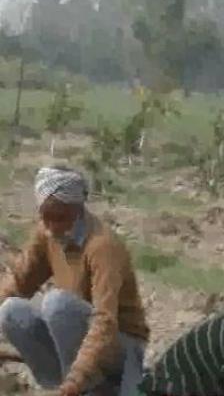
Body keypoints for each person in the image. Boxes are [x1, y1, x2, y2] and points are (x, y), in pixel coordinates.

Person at [0, 166, 149, 396]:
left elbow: (105, 322)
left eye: (58, 218)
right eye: (44, 217)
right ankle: (61, 384)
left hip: (121, 346)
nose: (50, 227)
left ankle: (84, 386)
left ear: (77, 210)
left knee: (57, 305)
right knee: (11, 311)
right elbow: (19, 283)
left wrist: (77, 379)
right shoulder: (46, 234)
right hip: (75, 342)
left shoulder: (102, 246)